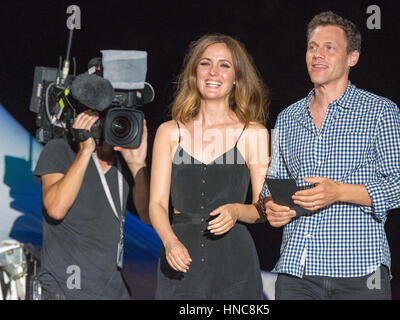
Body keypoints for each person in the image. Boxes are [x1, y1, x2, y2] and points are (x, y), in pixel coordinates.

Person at [261, 11, 400, 300]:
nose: (317, 55)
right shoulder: (288, 118)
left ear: (352, 57)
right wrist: (270, 203)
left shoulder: (379, 111)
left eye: (329, 47)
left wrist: (339, 192)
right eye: (312, 47)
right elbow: (273, 181)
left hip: (360, 272)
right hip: (297, 270)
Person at [149, 34, 269, 299]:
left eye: (225, 65)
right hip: (179, 259)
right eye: (206, 63)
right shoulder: (169, 132)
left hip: (235, 265)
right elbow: (157, 204)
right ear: (194, 73)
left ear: (237, 77)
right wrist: (170, 242)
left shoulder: (254, 133)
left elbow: (264, 209)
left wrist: (238, 210)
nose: (214, 72)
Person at [33, 109, 150, 299]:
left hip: (112, 290)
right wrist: (85, 151)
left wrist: (138, 164)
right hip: (65, 288)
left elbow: (148, 216)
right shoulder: (61, 149)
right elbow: (56, 209)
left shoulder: (124, 160)